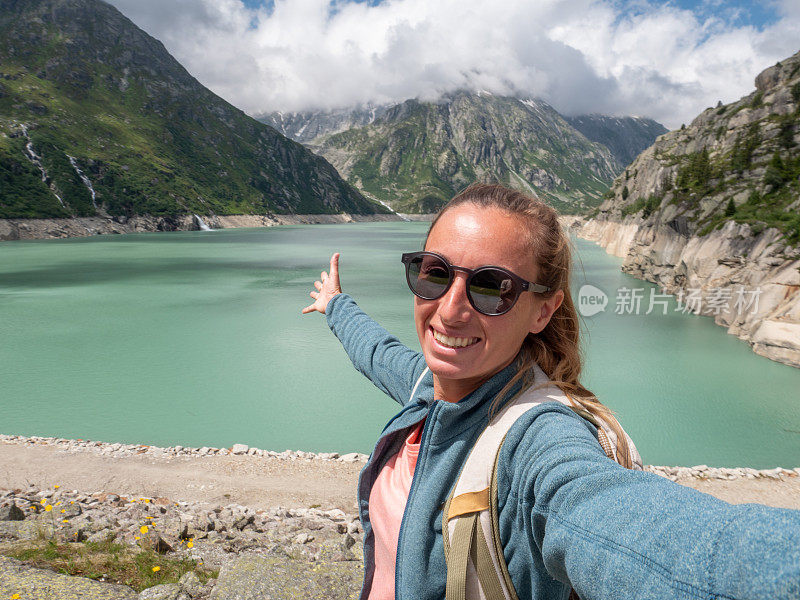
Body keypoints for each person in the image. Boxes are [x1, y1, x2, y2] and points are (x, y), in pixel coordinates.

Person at [301, 183, 800, 600]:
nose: (450, 310)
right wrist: (336, 305)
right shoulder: (431, 387)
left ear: (543, 309)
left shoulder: (538, 437)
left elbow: (620, 523)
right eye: (434, 273)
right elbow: (378, 352)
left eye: (491, 287)